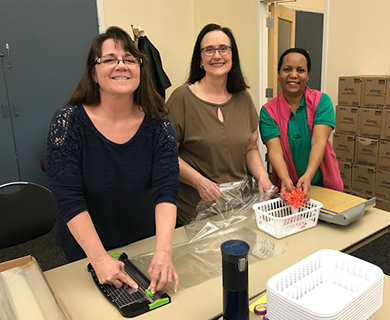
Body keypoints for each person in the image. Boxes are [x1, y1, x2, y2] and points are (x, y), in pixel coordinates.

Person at [46, 26, 179, 292]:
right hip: (86, 248)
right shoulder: (69, 122)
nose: (121, 66)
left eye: (130, 59)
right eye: (109, 59)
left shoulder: (158, 124)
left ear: (141, 70)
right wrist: (99, 259)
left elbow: (166, 189)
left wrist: (163, 252)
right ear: (93, 73)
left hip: (140, 240)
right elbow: (68, 198)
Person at [167, 23, 273, 226]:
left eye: (223, 48)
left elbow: (250, 148)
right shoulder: (182, 99)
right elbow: (167, 155)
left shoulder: (243, 99)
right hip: (194, 213)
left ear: (232, 56)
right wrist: (199, 182)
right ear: (200, 58)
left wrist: (262, 177)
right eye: (209, 50)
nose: (217, 56)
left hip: (239, 209)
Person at [259, 48, 343, 198]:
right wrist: (284, 178)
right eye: (287, 69)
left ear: (308, 75)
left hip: (325, 186)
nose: (293, 75)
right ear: (278, 74)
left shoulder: (321, 102)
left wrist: (308, 176)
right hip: (289, 190)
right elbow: (275, 151)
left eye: (300, 70)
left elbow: (319, 141)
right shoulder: (268, 112)